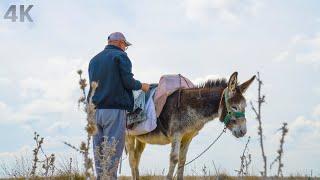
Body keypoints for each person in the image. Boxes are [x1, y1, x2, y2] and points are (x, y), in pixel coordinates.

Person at [88, 32, 149, 179]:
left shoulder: (93, 60)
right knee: (112, 152)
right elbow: (128, 82)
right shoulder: (121, 56)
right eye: (125, 45)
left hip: (94, 112)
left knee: (99, 154)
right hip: (114, 110)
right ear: (121, 43)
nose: (125, 48)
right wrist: (142, 86)